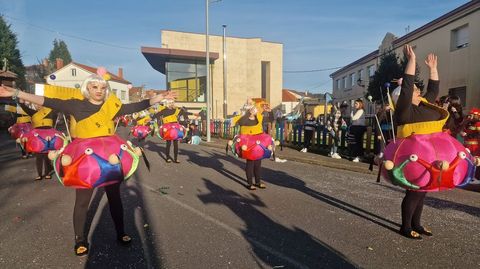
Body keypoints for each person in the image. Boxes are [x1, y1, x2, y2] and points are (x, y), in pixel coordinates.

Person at [0, 74, 176, 256]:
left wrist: (160, 97)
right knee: (83, 200)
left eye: (102, 88)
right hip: (85, 156)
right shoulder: (77, 104)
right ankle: (80, 238)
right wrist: (16, 92)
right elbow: (47, 100)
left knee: (114, 196)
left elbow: (137, 106)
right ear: (87, 89)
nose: (99, 91)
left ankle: (120, 231)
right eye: (94, 87)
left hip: (109, 154)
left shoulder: (111, 106)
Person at [394, 45, 440, 240]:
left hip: (428, 155)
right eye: (415, 89)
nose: (418, 90)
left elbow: (434, 90)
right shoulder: (405, 110)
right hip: (413, 158)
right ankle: (406, 227)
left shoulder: (424, 104)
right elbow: (406, 88)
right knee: (414, 193)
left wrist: (432, 69)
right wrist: (411, 61)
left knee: (423, 191)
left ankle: (417, 224)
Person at [231, 100, 268, 190]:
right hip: (248, 142)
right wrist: (248, 114)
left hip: (258, 141)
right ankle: (249, 183)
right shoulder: (243, 117)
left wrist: (262, 109)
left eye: (253, 108)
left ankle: (258, 182)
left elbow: (261, 124)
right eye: (251, 108)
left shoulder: (258, 117)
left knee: (258, 163)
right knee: (250, 162)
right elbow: (241, 122)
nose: (253, 110)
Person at [18, 101, 58, 180]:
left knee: (46, 156)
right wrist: (21, 102)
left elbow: (57, 109)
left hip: (48, 136)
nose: (38, 106)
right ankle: (39, 174)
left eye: (39, 104)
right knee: (38, 156)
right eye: (36, 104)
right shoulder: (33, 113)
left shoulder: (50, 112)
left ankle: (47, 173)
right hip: (37, 137)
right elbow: (25, 108)